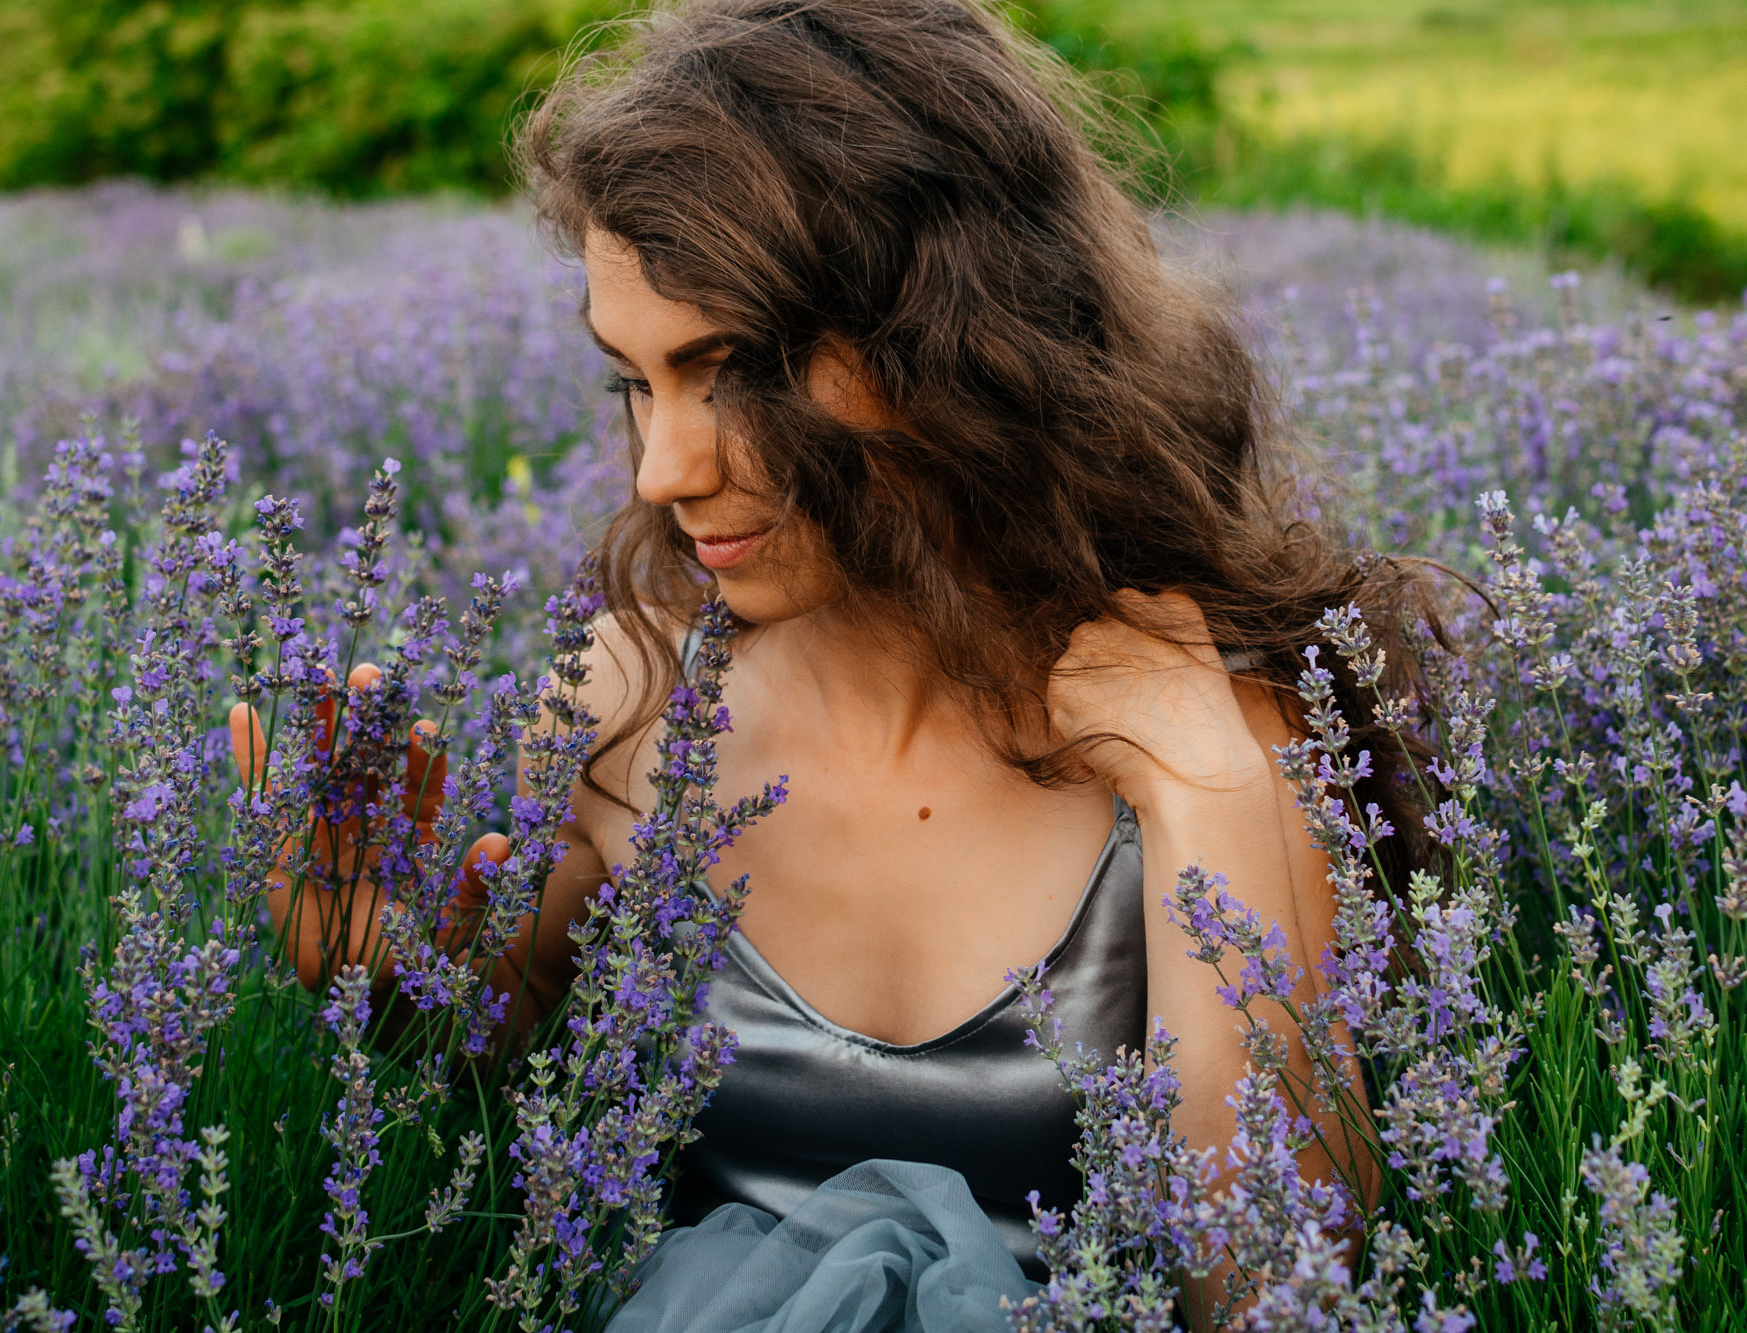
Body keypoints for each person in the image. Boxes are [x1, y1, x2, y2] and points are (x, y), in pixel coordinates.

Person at [231, 0, 1433, 1325]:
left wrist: (1209, 790)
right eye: (634, 382)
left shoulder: (1202, 717)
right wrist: (368, 965)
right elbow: (489, 1045)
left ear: (949, 332)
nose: (663, 469)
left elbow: (1277, 1294)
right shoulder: (636, 697)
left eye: (731, 371)